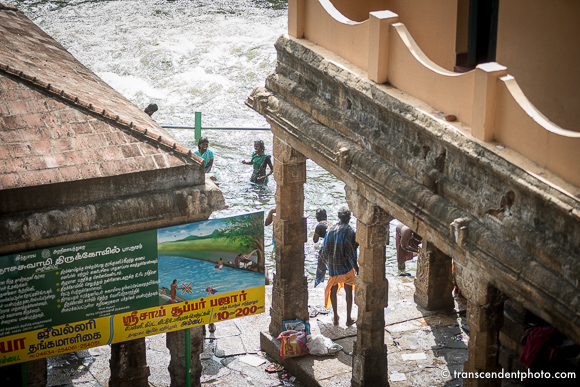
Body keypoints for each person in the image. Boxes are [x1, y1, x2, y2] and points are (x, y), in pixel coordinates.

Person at [319, 205, 359, 326]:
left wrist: (326, 265)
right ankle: (348, 318)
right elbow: (350, 253)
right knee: (348, 291)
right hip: (346, 267)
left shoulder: (330, 230)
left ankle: (335, 317)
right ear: (349, 218)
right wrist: (356, 268)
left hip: (333, 268)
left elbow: (323, 251)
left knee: (333, 289)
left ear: (338, 217)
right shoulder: (350, 231)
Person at [313, 208, 332, 287]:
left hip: (327, 247)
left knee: (321, 266)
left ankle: (318, 283)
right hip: (334, 247)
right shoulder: (330, 224)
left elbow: (315, 240)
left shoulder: (319, 225)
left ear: (317, 216)